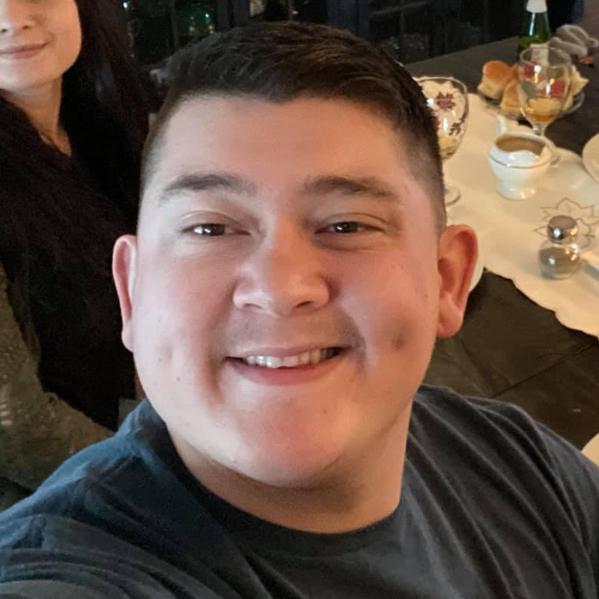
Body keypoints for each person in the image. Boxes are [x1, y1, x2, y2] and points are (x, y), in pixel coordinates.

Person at [1, 21, 599, 598]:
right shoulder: (72, 566)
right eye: (211, 228)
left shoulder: (526, 468)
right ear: (133, 291)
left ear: (447, 280)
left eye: (346, 225)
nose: (279, 287)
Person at [0, 0, 148, 505]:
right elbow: (19, 429)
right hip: (54, 507)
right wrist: (167, 479)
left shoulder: (104, 129)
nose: (13, 18)